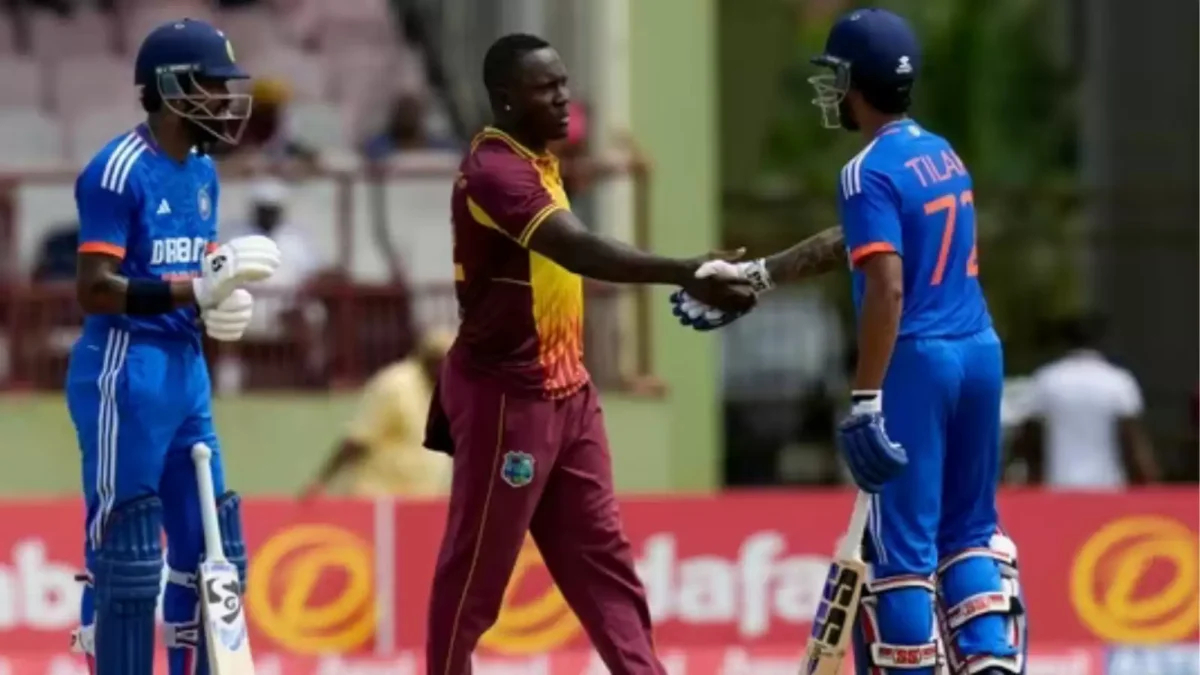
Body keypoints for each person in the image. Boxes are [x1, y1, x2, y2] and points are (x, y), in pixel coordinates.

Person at [673, 9, 1027, 675]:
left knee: (901, 552)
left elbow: (886, 284)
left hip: (917, 361)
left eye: (834, 76)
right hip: (979, 351)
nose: (829, 90)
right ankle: (989, 660)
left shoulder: (864, 172)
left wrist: (866, 398)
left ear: (856, 84)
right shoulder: (941, 154)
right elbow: (865, 242)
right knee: (971, 532)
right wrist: (761, 274)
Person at [421, 33, 755, 675]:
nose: (562, 97)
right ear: (505, 100)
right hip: (508, 398)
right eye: (545, 88)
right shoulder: (495, 172)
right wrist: (685, 270)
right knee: (476, 574)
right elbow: (576, 250)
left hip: (568, 392)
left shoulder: (538, 160)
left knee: (605, 565)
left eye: (563, 83)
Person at [64, 19, 282, 675]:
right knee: (127, 551)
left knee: (212, 544)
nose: (226, 100)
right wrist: (197, 290)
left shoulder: (205, 172)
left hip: (186, 373)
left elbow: (196, 268)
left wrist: (219, 301)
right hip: (124, 370)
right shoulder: (116, 171)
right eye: (214, 85)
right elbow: (94, 288)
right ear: (172, 87)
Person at [301, 329, 454, 498]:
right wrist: (322, 481)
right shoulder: (396, 386)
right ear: (431, 360)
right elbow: (358, 440)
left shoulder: (445, 393)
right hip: (379, 498)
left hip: (418, 501)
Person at [1010, 314, 1158, 488]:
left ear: (1063, 342)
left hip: (1057, 485)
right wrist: (1149, 482)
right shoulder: (1118, 381)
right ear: (1101, 342)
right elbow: (1131, 440)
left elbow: (1028, 438)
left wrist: (1032, 478)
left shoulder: (1047, 380)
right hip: (1108, 486)